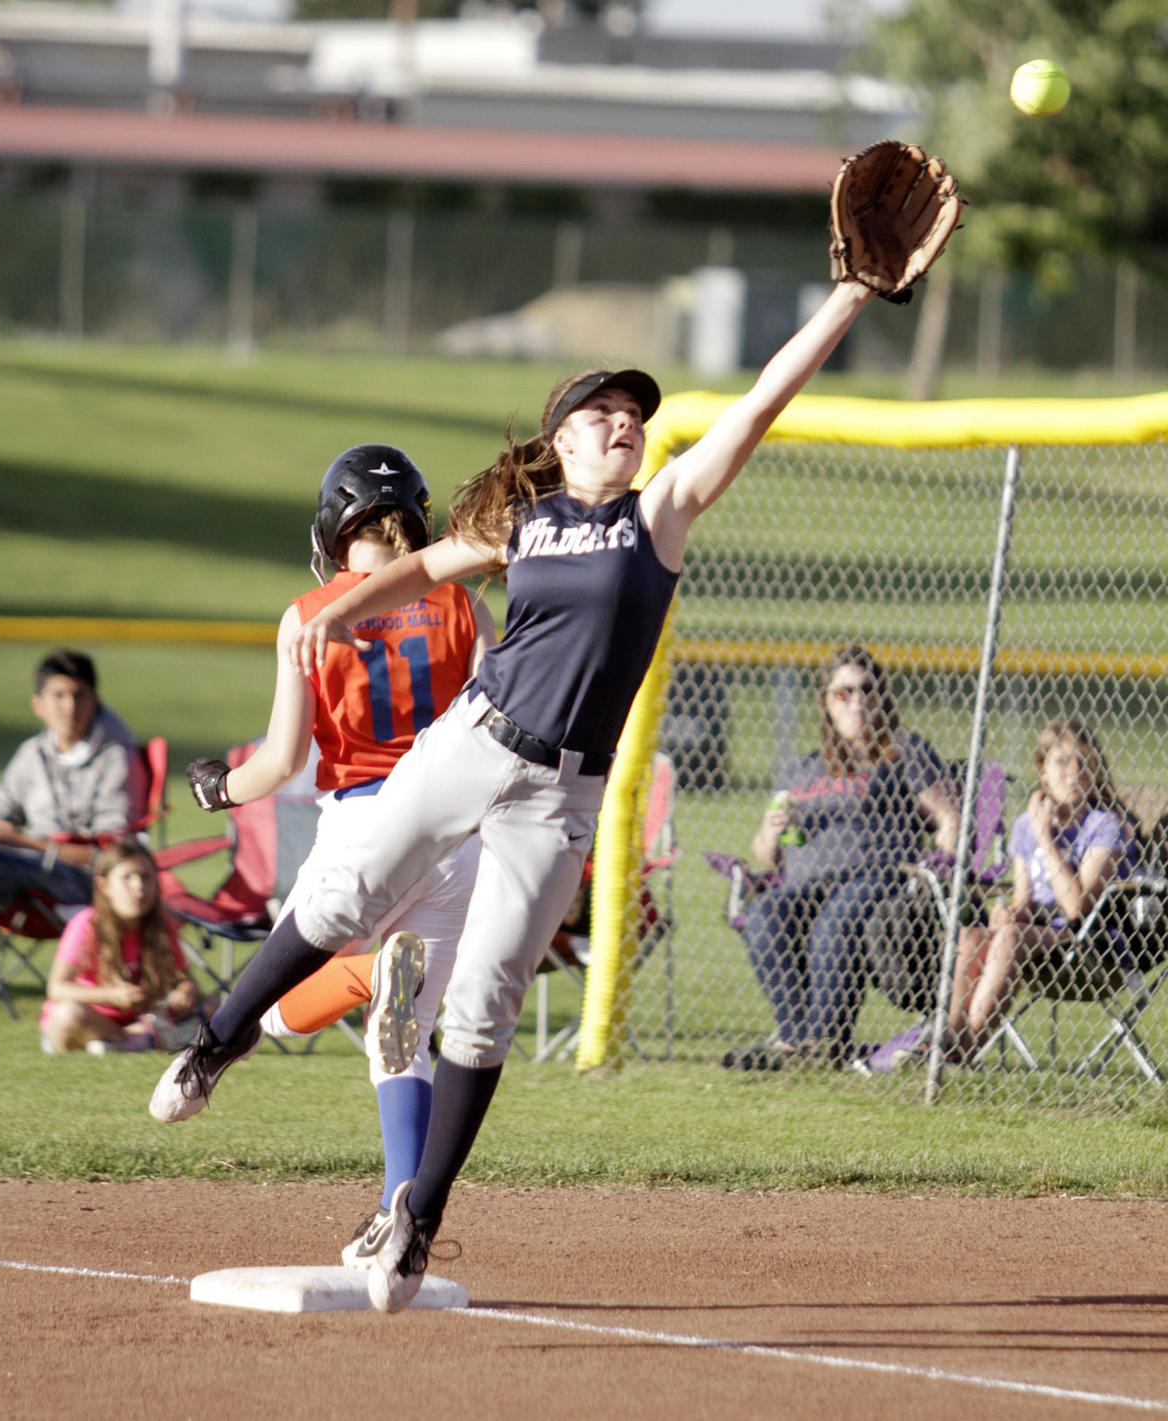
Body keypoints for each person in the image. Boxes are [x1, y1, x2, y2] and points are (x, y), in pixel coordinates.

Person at [150, 273, 880, 1314]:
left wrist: (847, 297)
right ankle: (213, 1045)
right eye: (601, 411)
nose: (624, 422)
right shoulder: (526, 521)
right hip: (470, 741)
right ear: (563, 438)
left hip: (559, 798)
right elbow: (430, 568)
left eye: (634, 412)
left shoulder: (659, 513)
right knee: (343, 895)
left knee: (485, 1003)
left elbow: (760, 402)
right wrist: (342, 610)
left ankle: (416, 1217)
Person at [159, 445, 496, 1249]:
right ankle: (398, 1215)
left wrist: (219, 788)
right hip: (457, 836)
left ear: (331, 530)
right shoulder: (462, 604)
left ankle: (217, 1043)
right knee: (405, 1027)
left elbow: (279, 762)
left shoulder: (311, 613)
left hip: (367, 824)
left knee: (294, 972)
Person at [722, 644, 960, 1073]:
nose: (857, 701)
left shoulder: (903, 754)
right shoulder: (803, 770)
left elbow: (946, 816)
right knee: (766, 914)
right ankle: (800, 1041)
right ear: (826, 704)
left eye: (866, 690)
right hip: (807, 883)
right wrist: (770, 833)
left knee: (838, 915)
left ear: (883, 697)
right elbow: (765, 855)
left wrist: (943, 869)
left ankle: (823, 1041)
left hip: (880, 876)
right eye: (843, 693)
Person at [934, 717, 1135, 1066]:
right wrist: (1009, 910)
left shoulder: (1105, 826)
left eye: (1083, 762)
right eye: (1062, 761)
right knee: (970, 935)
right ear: (1041, 770)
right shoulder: (1025, 825)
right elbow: (1022, 900)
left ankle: (962, 1050)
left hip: (1087, 943)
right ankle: (945, 1037)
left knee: (1010, 936)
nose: (1074, 771)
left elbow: (1077, 908)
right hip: (1034, 934)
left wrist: (1045, 837)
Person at [0, 649, 142, 920]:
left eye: (79, 695)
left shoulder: (116, 759)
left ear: (95, 702)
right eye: (59, 695)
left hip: (82, 884)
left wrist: (25, 843)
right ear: (38, 705)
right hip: (20, 873)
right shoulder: (32, 753)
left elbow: (113, 856)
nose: (70, 706)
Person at [40, 837, 208, 1053]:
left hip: (137, 1016)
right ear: (104, 885)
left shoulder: (162, 924)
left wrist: (186, 992)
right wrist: (110, 995)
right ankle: (138, 1040)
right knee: (68, 1016)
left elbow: (184, 979)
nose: (139, 886)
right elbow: (56, 988)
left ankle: (126, 1042)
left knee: (215, 1007)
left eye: (146, 877)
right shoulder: (87, 924)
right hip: (91, 1018)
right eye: (127, 878)